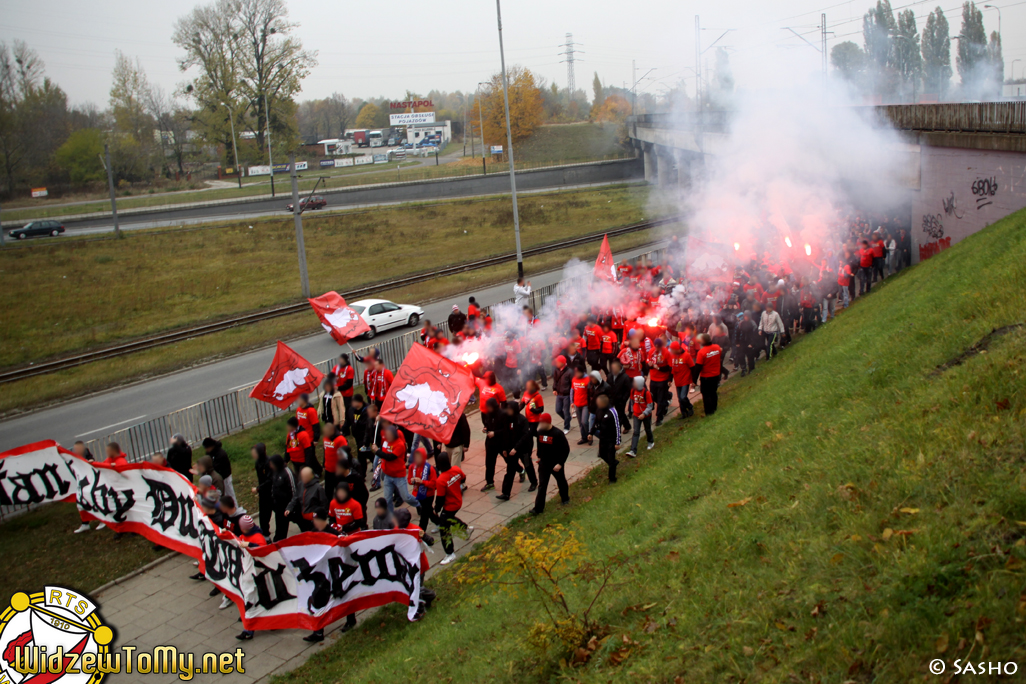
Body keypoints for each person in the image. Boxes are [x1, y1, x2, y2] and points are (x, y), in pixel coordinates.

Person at [373, 425, 420, 516]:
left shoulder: (399, 444)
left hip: (398, 475)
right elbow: (385, 453)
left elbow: (390, 457)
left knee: (405, 497)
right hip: (388, 475)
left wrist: (377, 452)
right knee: (387, 499)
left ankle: (418, 504)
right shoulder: (386, 442)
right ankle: (390, 517)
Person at [496, 402, 537, 500]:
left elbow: (525, 436)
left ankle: (534, 482)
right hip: (511, 450)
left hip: (523, 449)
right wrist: (504, 449)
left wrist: (516, 448)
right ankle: (506, 493)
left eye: (509, 409)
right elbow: (505, 435)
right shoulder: (507, 419)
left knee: (528, 465)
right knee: (510, 471)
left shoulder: (522, 420)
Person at [434, 452, 469, 565]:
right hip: (458, 501)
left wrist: (436, 510)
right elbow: (463, 478)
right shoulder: (456, 469)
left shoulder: (441, 480)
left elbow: (440, 498)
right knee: (449, 519)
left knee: (444, 529)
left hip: (450, 505)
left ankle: (450, 553)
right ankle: (465, 528)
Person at [531, 413, 571, 514]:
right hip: (544, 463)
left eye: (542, 422)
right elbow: (540, 446)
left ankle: (565, 498)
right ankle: (538, 508)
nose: (541, 424)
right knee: (542, 486)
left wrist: (560, 463)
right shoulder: (540, 432)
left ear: (548, 422)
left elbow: (566, 449)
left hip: (556, 463)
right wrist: (539, 457)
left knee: (561, 481)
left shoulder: (558, 434)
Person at [285, 467, 327, 534]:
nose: (303, 479)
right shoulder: (300, 485)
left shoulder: (318, 488)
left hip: (313, 519)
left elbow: (324, 504)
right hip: (303, 517)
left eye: (305, 477)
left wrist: (320, 519)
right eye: (302, 477)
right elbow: (296, 497)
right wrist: (289, 508)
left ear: (311, 476)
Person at [406, 447, 437, 538]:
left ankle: (420, 532)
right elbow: (409, 480)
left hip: (428, 495)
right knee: (429, 511)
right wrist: (412, 481)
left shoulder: (430, 469)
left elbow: (433, 484)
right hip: (418, 494)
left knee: (424, 514)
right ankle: (439, 523)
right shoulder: (412, 467)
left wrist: (422, 482)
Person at [592, 394, 622, 482]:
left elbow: (617, 427)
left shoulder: (612, 412)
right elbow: (596, 422)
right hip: (603, 438)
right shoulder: (599, 410)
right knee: (602, 454)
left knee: (611, 457)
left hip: (611, 439)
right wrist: (591, 432)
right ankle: (613, 463)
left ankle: (612, 479)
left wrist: (617, 442)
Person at [480, 398, 506, 492]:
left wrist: (495, 433)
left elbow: (505, 429)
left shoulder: (502, 414)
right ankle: (490, 482)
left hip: (500, 442)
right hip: (490, 443)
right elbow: (487, 423)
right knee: (489, 463)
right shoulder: (488, 414)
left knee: (508, 459)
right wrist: (485, 428)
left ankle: (520, 470)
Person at [695, 334, 722, 416]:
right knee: (713, 392)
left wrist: (694, 380)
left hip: (706, 377)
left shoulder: (701, 352)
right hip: (716, 375)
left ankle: (709, 412)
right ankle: (714, 407)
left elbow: (698, 367)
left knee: (706, 394)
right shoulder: (717, 347)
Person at [647, 338, 672, 426]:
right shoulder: (651, 351)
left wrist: (669, 379)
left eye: (658, 347)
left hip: (663, 379)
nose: (657, 349)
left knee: (660, 399)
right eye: (655, 347)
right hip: (653, 378)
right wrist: (649, 365)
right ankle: (668, 397)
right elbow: (648, 362)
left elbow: (669, 367)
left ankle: (659, 417)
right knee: (654, 397)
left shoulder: (666, 353)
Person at [627, 376, 654, 457]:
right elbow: (632, 402)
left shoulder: (646, 393)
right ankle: (633, 450)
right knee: (636, 432)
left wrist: (644, 414)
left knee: (647, 429)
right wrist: (632, 411)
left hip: (646, 415)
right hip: (636, 415)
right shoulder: (632, 391)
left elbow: (650, 406)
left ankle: (651, 441)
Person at [250, 443, 273, 534]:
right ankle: (265, 534)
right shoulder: (258, 463)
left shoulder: (268, 463)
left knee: (281, 513)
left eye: (254, 453)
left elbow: (270, 480)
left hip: (271, 493)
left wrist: (258, 489)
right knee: (263, 516)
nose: (253, 455)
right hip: (263, 493)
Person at [331, 354, 356, 435]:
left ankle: (347, 429)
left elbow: (349, 384)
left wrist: (338, 388)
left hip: (347, 395)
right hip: (338, 395)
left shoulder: (349, 369)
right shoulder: (336, 367)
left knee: (347, 412)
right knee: (339, 412)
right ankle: (342, 428)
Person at [668, 341, 696, 414]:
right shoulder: (672, 357)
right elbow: (671, 369)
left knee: (683, 397)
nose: (671, 351)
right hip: (678, 381)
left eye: (672, 349)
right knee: (680, 399)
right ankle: (684, 413)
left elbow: (693, 368)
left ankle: (690, 407)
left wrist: (694, 381)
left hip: (685, 380)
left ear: (677, 349)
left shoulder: (686, 356)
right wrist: (670, 380)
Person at [607, 359, 632, 433]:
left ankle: (616, 431)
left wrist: (624, 399)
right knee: (618, 413)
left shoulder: (625, 377)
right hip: (612, 398)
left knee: (619, 415)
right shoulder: (610, 376)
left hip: (621, 399)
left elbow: (628, 390)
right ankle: (627, 425)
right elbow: (607, 386)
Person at [322, 422, 347, 494]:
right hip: (328, 470)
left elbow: (345, 456)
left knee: (340, 492)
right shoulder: (325, 438)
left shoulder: (340, 439)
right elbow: (325, 451)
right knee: (328, 492)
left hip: (338, 472)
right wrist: (324, 464)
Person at [551, 355, 573, 434]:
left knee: (566, 411)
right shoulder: (556, 370)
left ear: (562, 363)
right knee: (558, 410)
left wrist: (572, 396)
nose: (556, 363)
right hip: (559, 394)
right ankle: (568, 419)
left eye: (558, 362)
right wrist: (554, 389)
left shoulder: (569, 372)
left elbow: (572, 384)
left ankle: (566, 427)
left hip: (566, 395)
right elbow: (555, 381)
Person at [570, 366, 592, 445]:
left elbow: (591, 393)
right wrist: (572, 401)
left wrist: (591, 405)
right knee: (580, 423)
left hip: (585, 404)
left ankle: (590, 436)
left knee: (584, 422)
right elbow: (572, 390)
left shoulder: (588, 380)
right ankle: (584, 437)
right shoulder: (574, 379)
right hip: (577, 404)